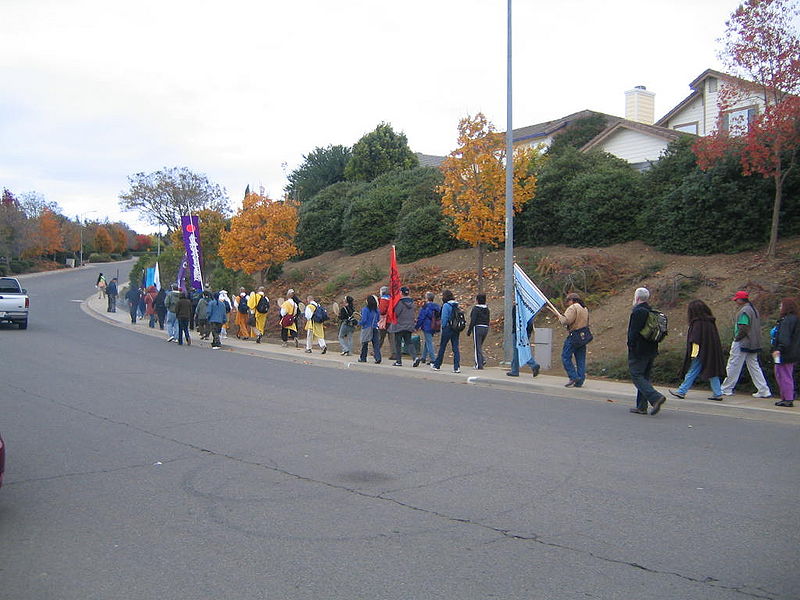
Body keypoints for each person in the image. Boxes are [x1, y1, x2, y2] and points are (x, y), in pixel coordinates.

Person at [669, 300, 726, 401]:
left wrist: (693, 353)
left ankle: (682, 391)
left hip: (700, 352)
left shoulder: (697, 323)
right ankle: (717, 393)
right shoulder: (710, 322)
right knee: (712, 372)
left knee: (693, 371)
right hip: (711, 351)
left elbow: (695, 340)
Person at [721, 291, 772, 398]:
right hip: (754, 343)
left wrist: (737, 339)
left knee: (733, 365)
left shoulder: (744, 311)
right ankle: (763, 389)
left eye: (736, 299)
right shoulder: (753, 310)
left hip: (743, 342)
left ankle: (726, 388)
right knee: (754, 366)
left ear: (740, 300)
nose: (735, 301)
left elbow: (743, 328)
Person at [627, 287, 667, 416]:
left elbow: (633, 332)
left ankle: (655, 398)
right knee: (645, 377)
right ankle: (641, 406)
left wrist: (631, 346)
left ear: (637, 298)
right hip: (651, 349)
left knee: (636, 375)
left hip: (639, 350)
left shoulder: (638, 312)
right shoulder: (651, 311)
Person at [772, 298, 800, 407]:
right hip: (792, 352)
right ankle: (785, 397)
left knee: (783, 375)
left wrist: (779, 349)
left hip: (785, 353)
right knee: (784, 374)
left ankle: (788, 398)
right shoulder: (795, 319)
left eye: (781, 305)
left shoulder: (787, 320)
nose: (779, 308)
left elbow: (784, 337)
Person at [558, 292, 589, 387]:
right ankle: (580, 380)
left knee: (565, 356)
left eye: (568, 301)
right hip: (583, 335)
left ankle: (573, 376)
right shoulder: (584, 308)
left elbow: (566, 321)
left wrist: (560, 317)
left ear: (571, 300)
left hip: (574, 335)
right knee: (580, 359)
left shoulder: (573, 308)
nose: (567, 303)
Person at [507, 303, 540, 378]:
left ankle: (531, 365)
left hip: (519, 331)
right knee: (521, 349)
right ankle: (515, 369)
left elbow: (516, 320)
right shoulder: (528, 306)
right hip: (527, 330)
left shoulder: (517, 307)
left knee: (518, 350)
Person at [431, 290, 461, 373]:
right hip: (455, 328)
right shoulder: (456, 305)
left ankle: (437, 365)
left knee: (443, 346)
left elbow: (444, 318)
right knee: (455, 347)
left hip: (447, 328)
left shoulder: (446, 306)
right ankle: (457, 367)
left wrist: (443, 327)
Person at [390, 286, 420, 367]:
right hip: (409, 325)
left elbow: (396, 313)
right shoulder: (412, 302)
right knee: (409, 342)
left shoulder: (399, 302)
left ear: (401, 293)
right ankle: (415, 357)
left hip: (399, 325)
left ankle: (399, 361)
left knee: (398, 343)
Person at [415, 292, 440, 365]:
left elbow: (421, 317)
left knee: (429, 342)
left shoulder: (425, 307)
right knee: (427, 340)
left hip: (427, 326)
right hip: (434, 325)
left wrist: (417, 326)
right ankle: (423, 357)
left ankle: (433, 359)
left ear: (427, 298)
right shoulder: (437, 306)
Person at [466, 293, 490, 370]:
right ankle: (481, 359)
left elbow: (473, 320)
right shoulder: (487, 309)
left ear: (477, 300)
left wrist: (469, 330)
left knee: (477, 346)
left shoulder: (475, 309)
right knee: (479, 346)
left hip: (477, 327)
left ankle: (478, 364)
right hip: (485, 327)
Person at [358, 294, 381, 364]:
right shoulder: (377, 310)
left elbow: (364, 320)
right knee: (376, 344)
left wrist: (358, 323)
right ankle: (378, 357)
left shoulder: (365, 309)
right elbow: (378, 319)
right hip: (375, 327)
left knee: (364, 343)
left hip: (367, 328)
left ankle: (363, 357)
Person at [377, 286, 397, 361]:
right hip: (392, 319)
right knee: (392, 338)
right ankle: (394, 353)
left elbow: (382, 311)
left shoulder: (383, 299)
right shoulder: (392, 299)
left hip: (385, 320)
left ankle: (376, 350)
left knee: (380, 337)